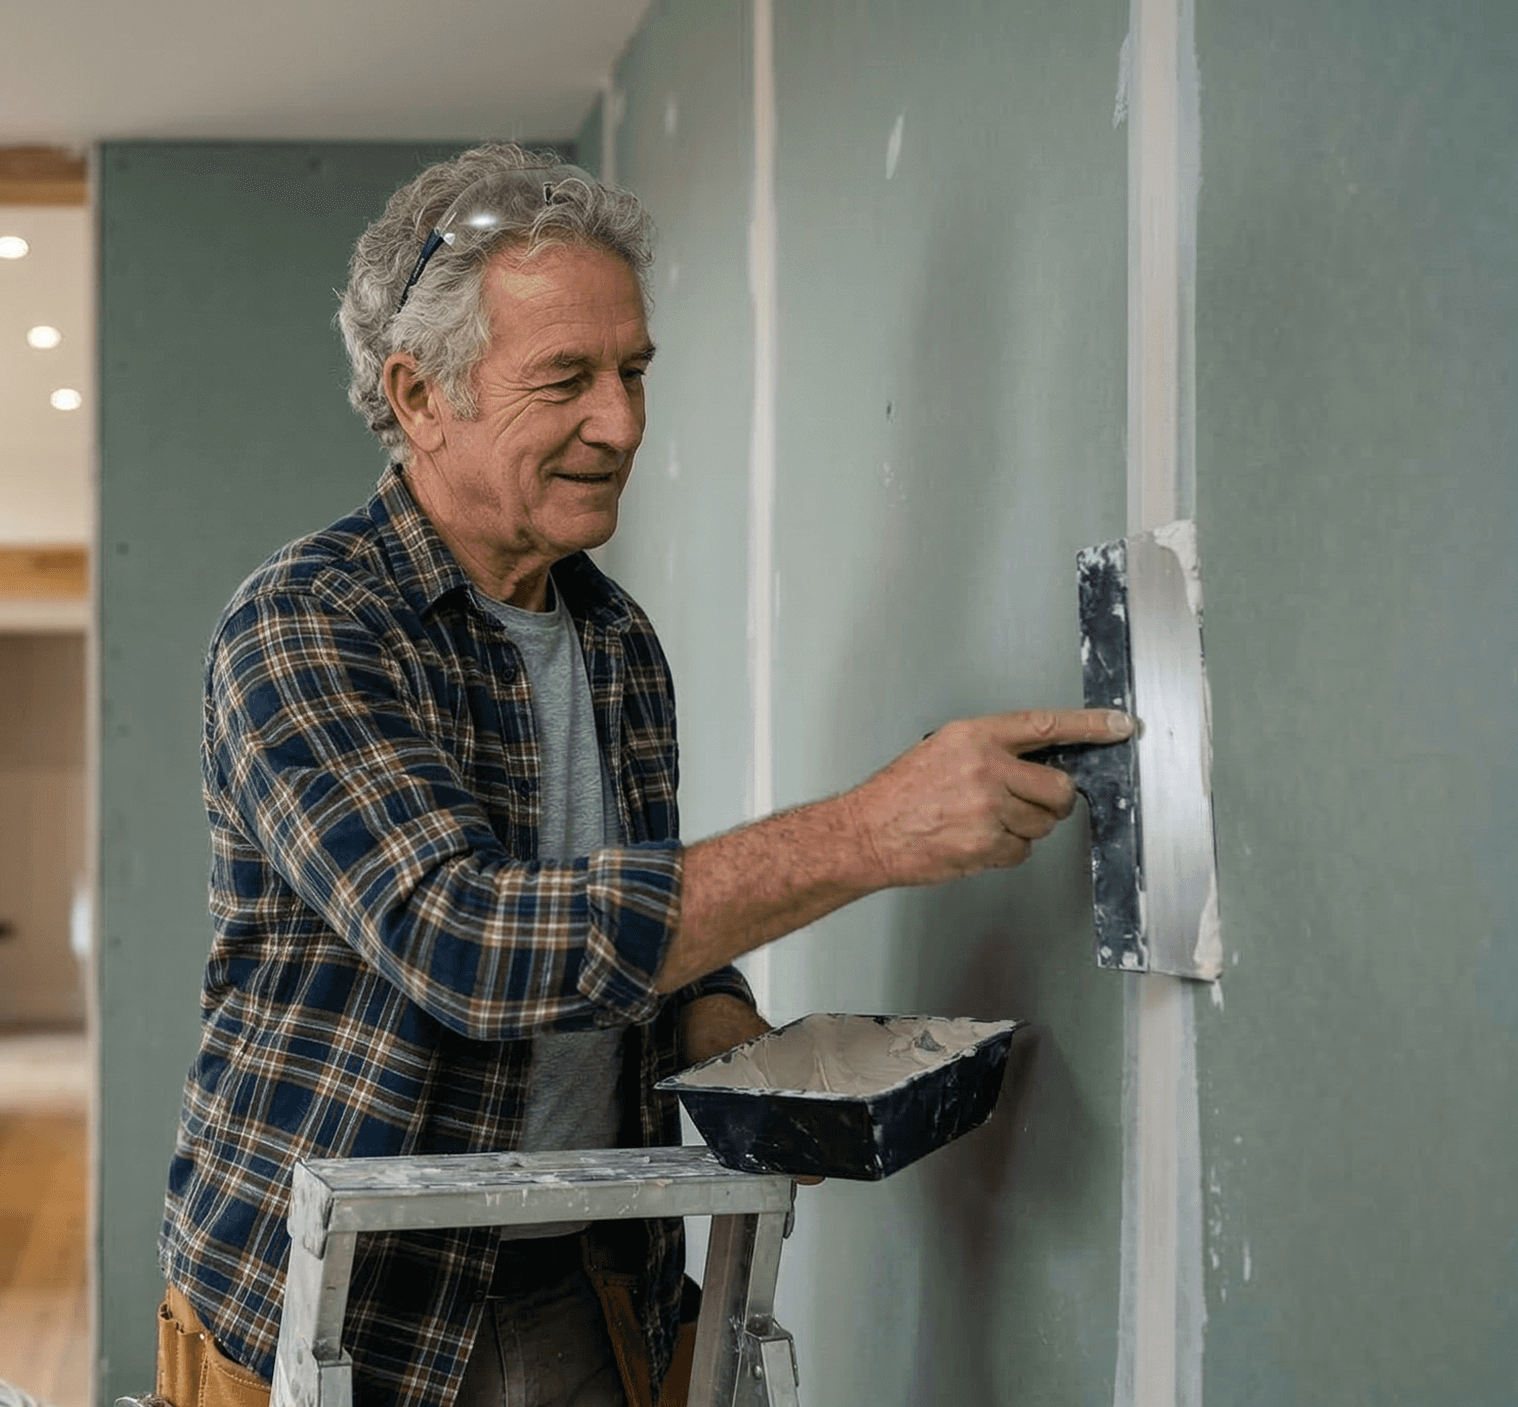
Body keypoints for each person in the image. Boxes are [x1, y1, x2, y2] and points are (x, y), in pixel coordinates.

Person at [150, 143, 1133, 1407]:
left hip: (596, 1286)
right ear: (416, 395)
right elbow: (469, 944)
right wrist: (870, 833)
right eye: (565, 379)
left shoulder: (612, 641)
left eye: (632, 373)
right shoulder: (306, 625)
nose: (619, 424)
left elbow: (623, 913)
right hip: (340, 1315)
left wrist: (717, 1031)